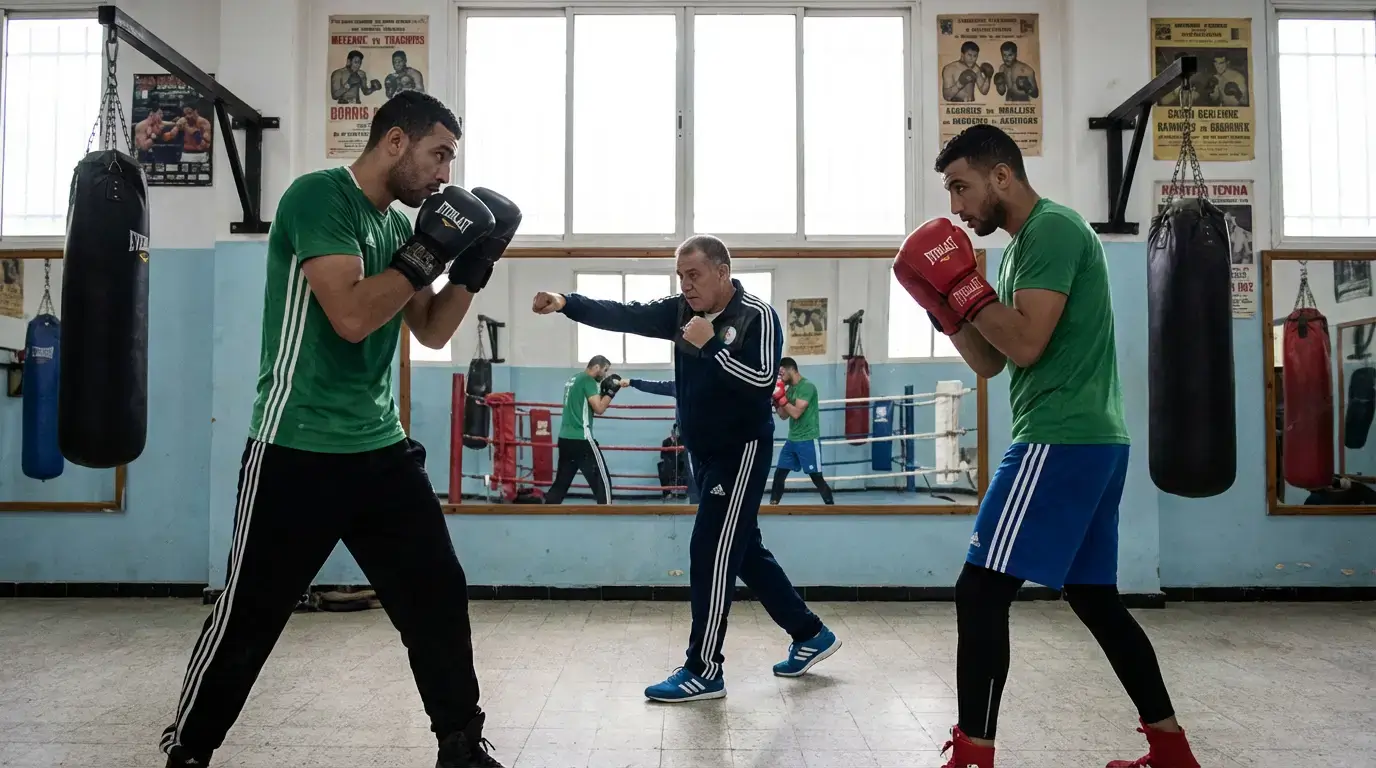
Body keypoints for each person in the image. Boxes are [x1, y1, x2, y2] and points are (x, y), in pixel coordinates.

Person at [159, 91, 519, 768]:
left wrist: (474, 263)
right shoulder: (318, 199)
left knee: (436, 596)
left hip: (379, 450)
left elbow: (434, 330)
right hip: (295, 448)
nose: (445, 174)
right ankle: (188, 749)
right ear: (394, 143)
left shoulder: (397, 230)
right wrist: (430, 251)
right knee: (250, 617)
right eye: (438, 154)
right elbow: (351, 317)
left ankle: (461, 747)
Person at [893, 123, 1201, 768]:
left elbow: (1026, 342)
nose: (955, 205)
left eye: (961, 186)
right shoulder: (1020, 250)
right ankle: (1172, 750)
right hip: (1089, 441)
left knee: (979, 592)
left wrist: (966, 288)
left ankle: (973, 755)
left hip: (1059, 439)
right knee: (1094, 598)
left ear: (1001, 176)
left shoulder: (1054, 230)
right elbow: (992, 361)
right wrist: (944, 304)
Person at [531, 234, 841, 700]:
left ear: (722, 271)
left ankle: (704, 669)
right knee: (744, 550)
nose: (686, 285)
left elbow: (761, 383)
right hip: (704, 452)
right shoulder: (680, 310)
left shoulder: (758, 316)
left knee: (709, 548)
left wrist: (713, 343)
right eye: (680, 276)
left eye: (693, 275)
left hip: (741, 450)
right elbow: (626, 313)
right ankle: (810, 633)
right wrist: (565, 302)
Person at [544, 356, 616, 505]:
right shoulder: (588, 380)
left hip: (565, 439)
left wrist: (601, 393)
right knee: (602, 483)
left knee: (561, 483)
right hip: (582, 440)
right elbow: (599, 408)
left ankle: (546, 513)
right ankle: (609, 514)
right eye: (605, 370)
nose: (605, 374)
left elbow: (582, 403)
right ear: (596, 367)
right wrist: (610, 393)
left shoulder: (573, 379)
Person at [618, 376, 700, 503]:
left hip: (698, 437)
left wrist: (631, 382)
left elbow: (658, 387)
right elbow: (657, 386)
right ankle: (701, 506)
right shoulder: (683, 384)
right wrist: (632, 382)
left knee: (698, 474)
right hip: (696, 437)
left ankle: (700, 506)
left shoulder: (686, 385)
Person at [768, 358, 834, 505]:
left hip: (808, 439)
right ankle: (773, 505)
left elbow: (796, 413)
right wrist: (775, 401)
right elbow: (784, 416)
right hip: (792, 440)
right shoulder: (790, 390)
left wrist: (781, 398)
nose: (780, 376)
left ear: (788, 369)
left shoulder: (807, 386)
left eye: (781, 373)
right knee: (779, 474)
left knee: (816, 477)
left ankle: (830, 506)